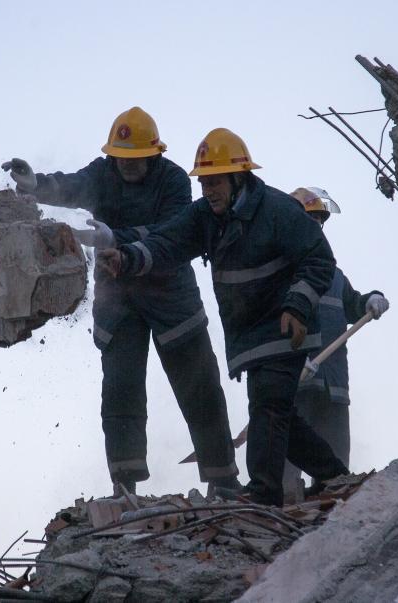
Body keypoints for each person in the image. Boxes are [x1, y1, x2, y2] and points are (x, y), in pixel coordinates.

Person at [97, 128, 349, 506]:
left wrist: (297, 306)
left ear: (238, 177)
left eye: (216, 182)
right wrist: (127, 257)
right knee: (280, 415)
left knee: (266, 405)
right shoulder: (205, 218)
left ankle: (263, 493)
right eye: (205, 183)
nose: (209, 190)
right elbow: (169, 242)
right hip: (251, 335)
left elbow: (319, 259)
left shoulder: (279, 211)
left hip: (285, 326)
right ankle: (334, 476)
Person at [1, 107, 240, 495]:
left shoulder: (174, 180)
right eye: (120, 158)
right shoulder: (103, 171)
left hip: (171, 296)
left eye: (135, 160)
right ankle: (124, 484)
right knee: (120, 391)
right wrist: (34, 184)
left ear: (154, 155)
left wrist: (118, 237)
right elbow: (71, 185)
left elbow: (173, 232)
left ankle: (223, 479)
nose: (126, 167)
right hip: (119, 301)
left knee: (200, 387)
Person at [282, 187, 389, 498]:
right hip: (295, 389)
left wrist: (372, 299)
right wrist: (291, 361)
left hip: (333, 390)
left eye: (319, 220)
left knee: (337, 479)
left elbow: (354, 304)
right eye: (309, 219)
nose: (315, 226)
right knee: (286, 478)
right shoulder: (281, 273)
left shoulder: (334, 275)